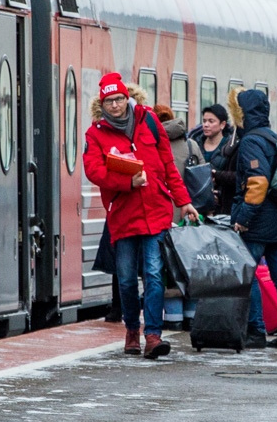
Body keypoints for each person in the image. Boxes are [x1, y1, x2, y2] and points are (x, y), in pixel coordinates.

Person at [83, 72, 199, 358]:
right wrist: (126, 183)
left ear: (127, 97)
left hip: (156, 212)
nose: (115, 105)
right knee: (124, 279)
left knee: (154, 275)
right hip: (123, 215)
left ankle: (153, 336)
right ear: (102, 103)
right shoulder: (95, 134)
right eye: (109, 101)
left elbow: (168, 164)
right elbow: (93, 171)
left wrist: (183, 201)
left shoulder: (148, 120)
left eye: (119, 99)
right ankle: (132, 330)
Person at [230, 87, 277, 349]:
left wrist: (243, 218)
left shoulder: (251, 141)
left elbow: (257, 183)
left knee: (249, 275)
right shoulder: (271, 136)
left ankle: (256, 330)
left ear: (243, 113)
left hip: (258, 220)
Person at [192, 103, 238, 209]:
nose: (206, 125)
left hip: (223, 204)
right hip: (197, 202)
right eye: (204, 121)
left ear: (222, 124)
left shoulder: (231, 147)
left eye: (211, 121)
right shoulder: (194, 144)